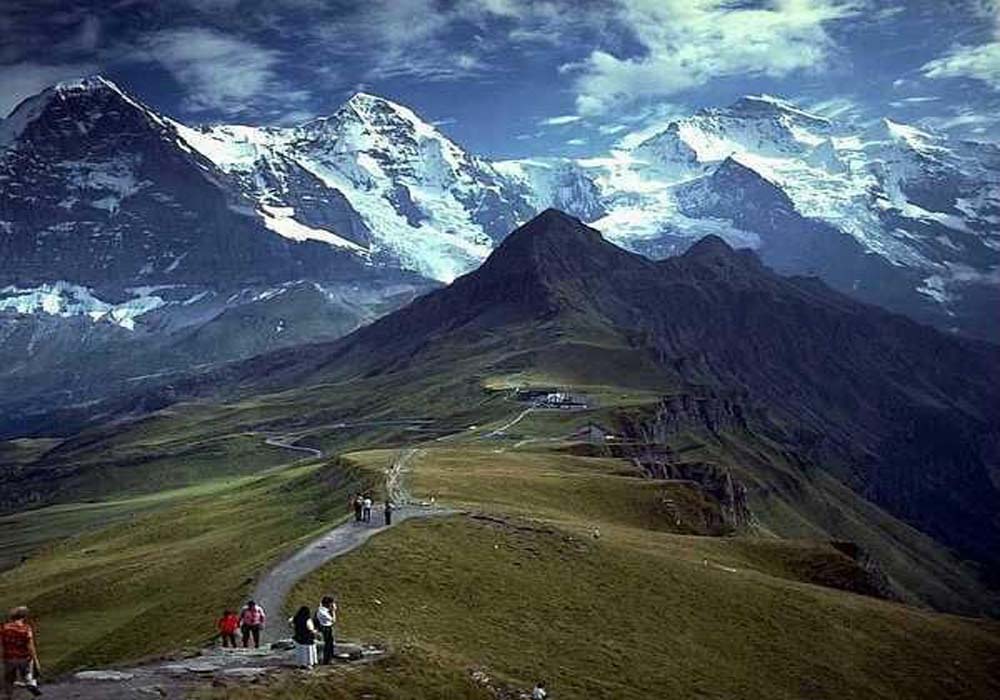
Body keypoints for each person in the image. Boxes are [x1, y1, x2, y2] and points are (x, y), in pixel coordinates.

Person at [1, 606, 41, 699]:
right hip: (23, 657)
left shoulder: (5, 628)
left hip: (9, 658)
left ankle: (9, 695)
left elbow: (2, 642)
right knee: (26, 675)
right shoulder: (26, 629)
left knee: (9, 679)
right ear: (24, 617)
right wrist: (35, 659)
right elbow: (30, 646)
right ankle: (31, 687)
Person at [315, 596, 337, 665]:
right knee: (328, 644)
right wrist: (333, 611)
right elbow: (333, 620)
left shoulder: (321, 609)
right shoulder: (323, 612)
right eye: (331, 603)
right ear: (328, 604)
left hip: (325, 627)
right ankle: (327, 660)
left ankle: (328, 659)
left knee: (329, 644)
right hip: (326, 628)